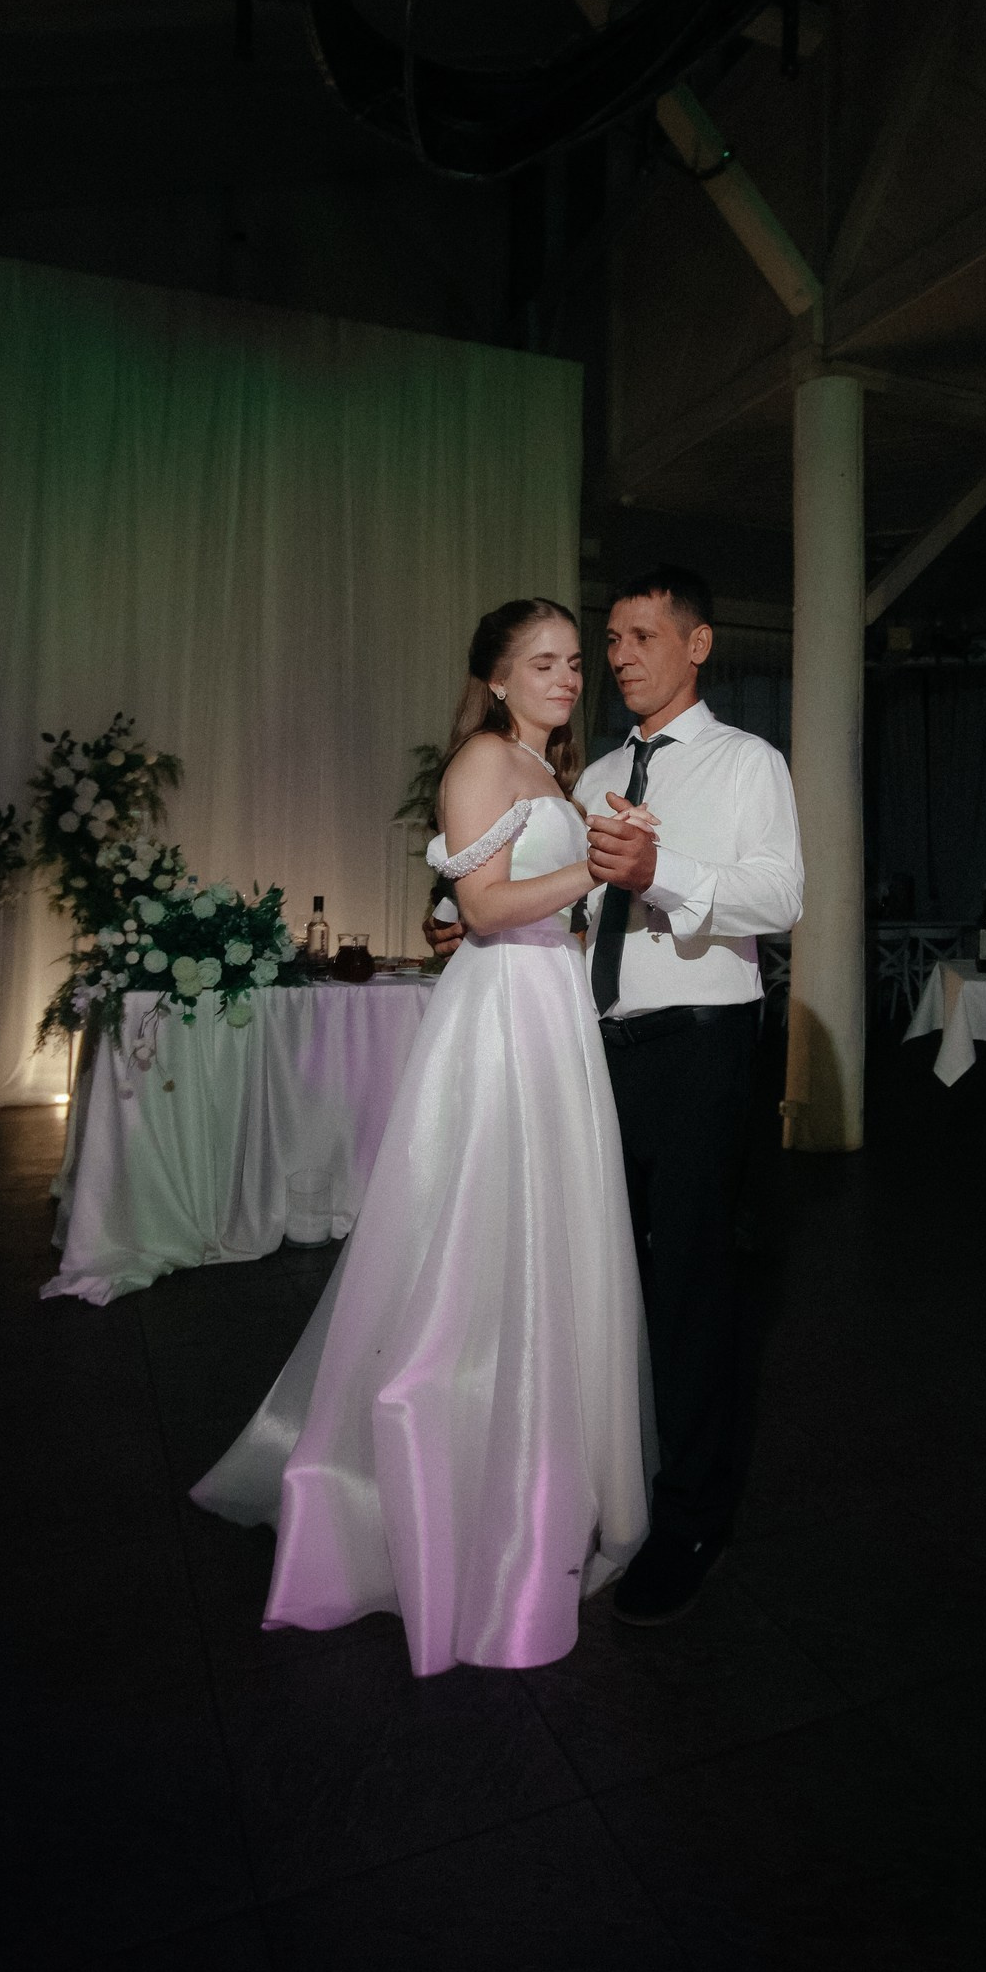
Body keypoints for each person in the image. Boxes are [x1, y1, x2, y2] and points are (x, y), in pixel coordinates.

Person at [191, 598, 652, 1676]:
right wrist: (595, 871)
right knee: (480, 1228)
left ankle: (537, 1453)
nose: (567, 677)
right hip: (504, 1015)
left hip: (552, 1009)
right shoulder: (483, 760)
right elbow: (484, 910)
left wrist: (584, 884)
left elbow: (493, 909)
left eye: (573, 661)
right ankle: (452, 1461)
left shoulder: (551, 773)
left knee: (553, 1228)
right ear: (496, 676)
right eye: (544, 662)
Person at [431, 563, 803, 1625]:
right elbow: (562, 904)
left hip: (697, 1047)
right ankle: (610, 1483)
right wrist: (474, 924)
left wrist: (658, 872)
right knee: (602, 1279)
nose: (619, 657)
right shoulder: (587, 771)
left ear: (697, 644)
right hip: (588, 1048)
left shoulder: (746, 762)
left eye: (643, 636)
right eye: (612, 640)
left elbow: (782, 898)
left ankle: (690, 1519)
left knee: (691, 1288)